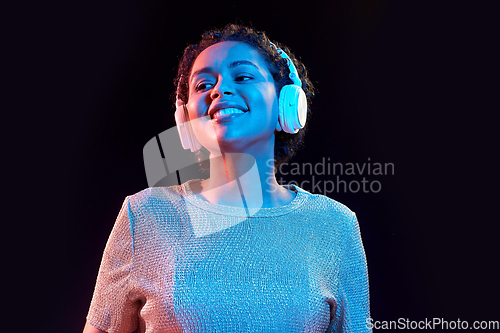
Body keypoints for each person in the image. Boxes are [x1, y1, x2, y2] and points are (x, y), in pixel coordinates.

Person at [83, 24, 371, 333]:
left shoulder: (335, 226)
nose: (220, 90)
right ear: (185, 120)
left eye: (244, 76)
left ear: (286, 105)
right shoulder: (144, 216)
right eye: (203, 84)